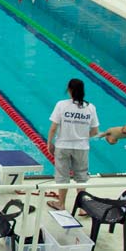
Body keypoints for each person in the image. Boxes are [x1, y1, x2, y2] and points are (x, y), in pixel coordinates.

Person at [46, 78, 99, 212]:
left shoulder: (61, 105)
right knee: (81, 177)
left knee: (62, 176)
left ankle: (61, 204)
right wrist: (81, 137)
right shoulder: (90, 108)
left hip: (63, 146)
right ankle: (83, 208)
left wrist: (49, 143)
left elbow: (53, 128)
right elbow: (95, 131)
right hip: (82, 147)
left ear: (69, 90)